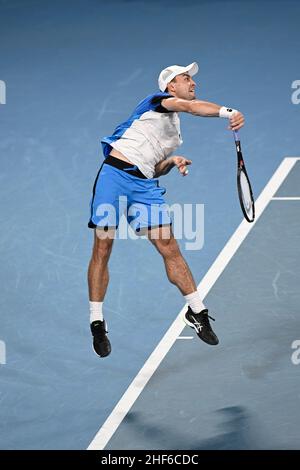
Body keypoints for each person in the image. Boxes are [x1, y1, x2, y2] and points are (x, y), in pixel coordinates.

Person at [87, 62, 244, 357]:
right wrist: (228, 112)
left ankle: (197, 311)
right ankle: (97, 320)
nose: (192, 83)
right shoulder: (157, 102)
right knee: (103, 247)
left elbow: (152, 168)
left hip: (144, 186)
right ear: (171, 86)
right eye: (186, 78)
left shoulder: (174, 135)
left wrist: (171, 162)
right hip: (114, 176)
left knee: (169, 246)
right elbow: (193, 107)